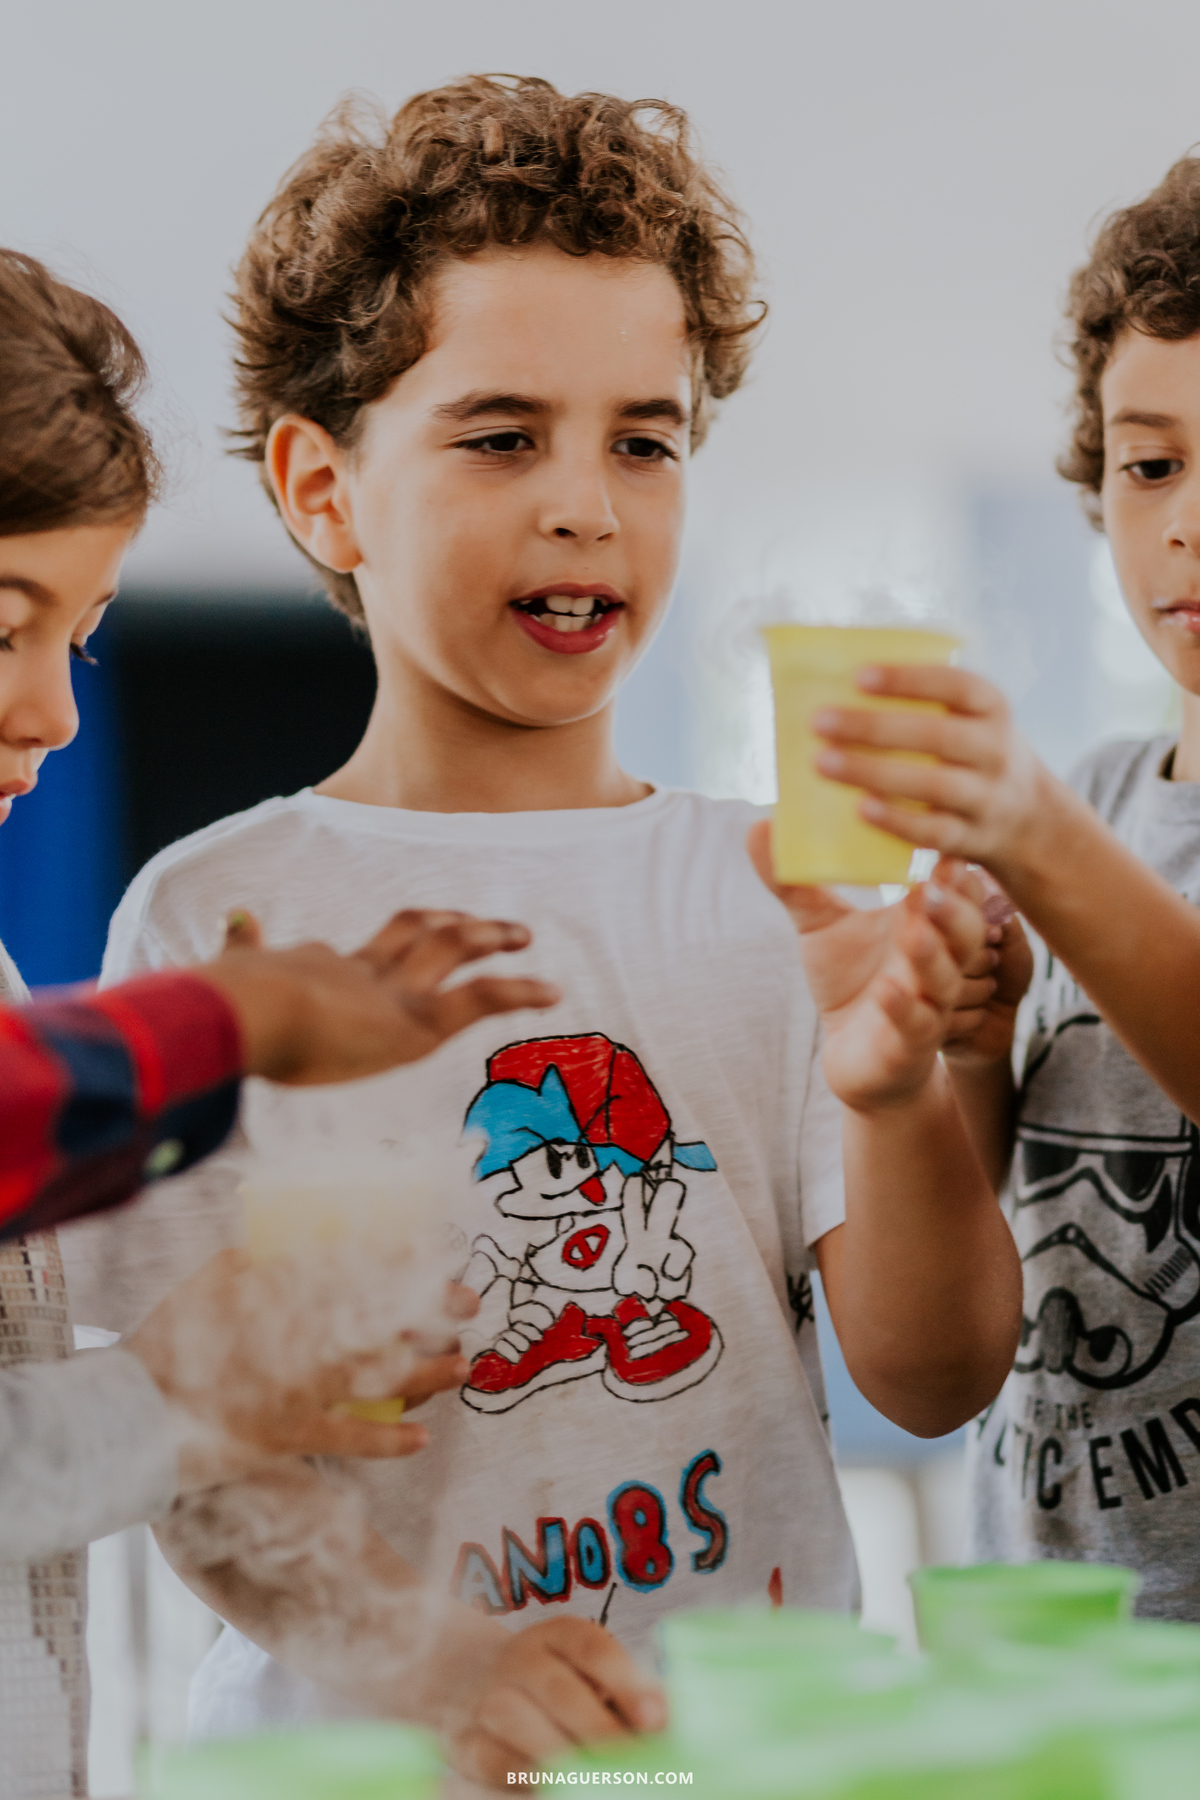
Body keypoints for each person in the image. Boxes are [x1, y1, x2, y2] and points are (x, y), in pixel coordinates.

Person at [82, 78, 1019, 1786]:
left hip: (745, 1759)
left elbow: (940, 1376)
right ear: (324, 491)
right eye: (503, 435)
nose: (587, 504)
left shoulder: (783, 893)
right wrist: (426, 1661)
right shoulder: (216, 915)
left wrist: (908, 1088)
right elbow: (187, 1443)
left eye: (643, 441)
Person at [0, 244, 557, 1799]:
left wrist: (187, 1387)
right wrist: (237, 1016)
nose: (54, 709)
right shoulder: (203, 909)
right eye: (2, 627)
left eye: (81, 636)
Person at [805, 152, 1200, 1620]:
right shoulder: (1097, 798)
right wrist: (957, 1047)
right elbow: (957, 1296)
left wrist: (1034, 833)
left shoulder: (1063, 830)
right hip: (1035, 1632)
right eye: (1149, 463)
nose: (1185, 524)